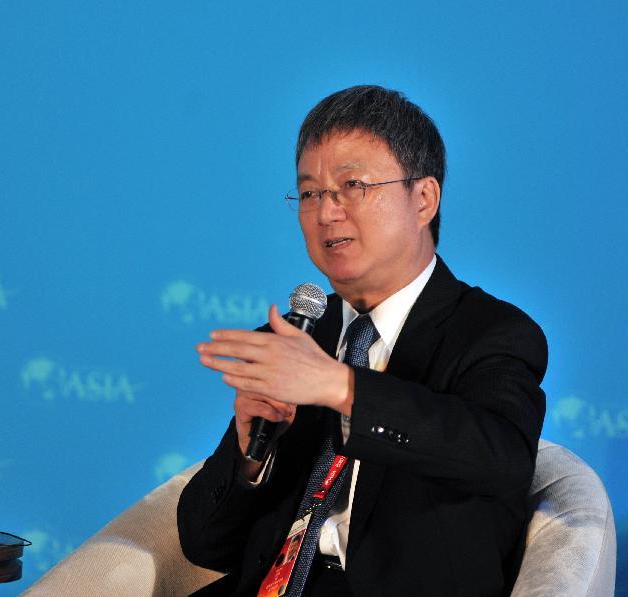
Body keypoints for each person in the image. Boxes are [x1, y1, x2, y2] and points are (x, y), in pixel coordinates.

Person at [178, 85, 547, 597]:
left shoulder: (491, 332)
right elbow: (203, 545)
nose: (326, 213)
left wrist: (343, 388)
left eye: (352, 186)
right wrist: (250, 455)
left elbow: (500, 460)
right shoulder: (299, 339)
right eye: (310, 193)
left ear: (424, 199)